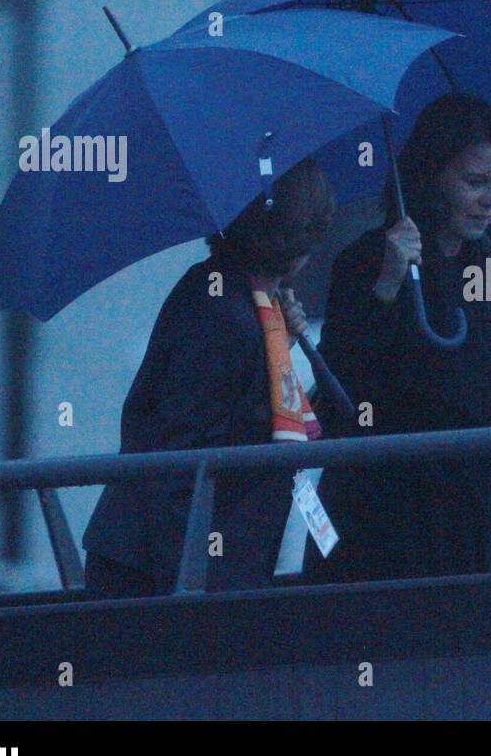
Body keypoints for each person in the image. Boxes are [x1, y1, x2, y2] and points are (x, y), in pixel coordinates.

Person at [303, 93, 491, 584]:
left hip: (470, 513)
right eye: (475, 183)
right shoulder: (366, 260)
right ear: (433, 178)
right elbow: (340, 387)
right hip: (378, 518)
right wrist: (386, 286)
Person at [82, 158, 334, 597]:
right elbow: (181, 453)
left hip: (179, 561)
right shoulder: (224, 311)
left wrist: (280, 345)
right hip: (167, 572)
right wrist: (189, 587)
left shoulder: (234, 298)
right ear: (296, 248)